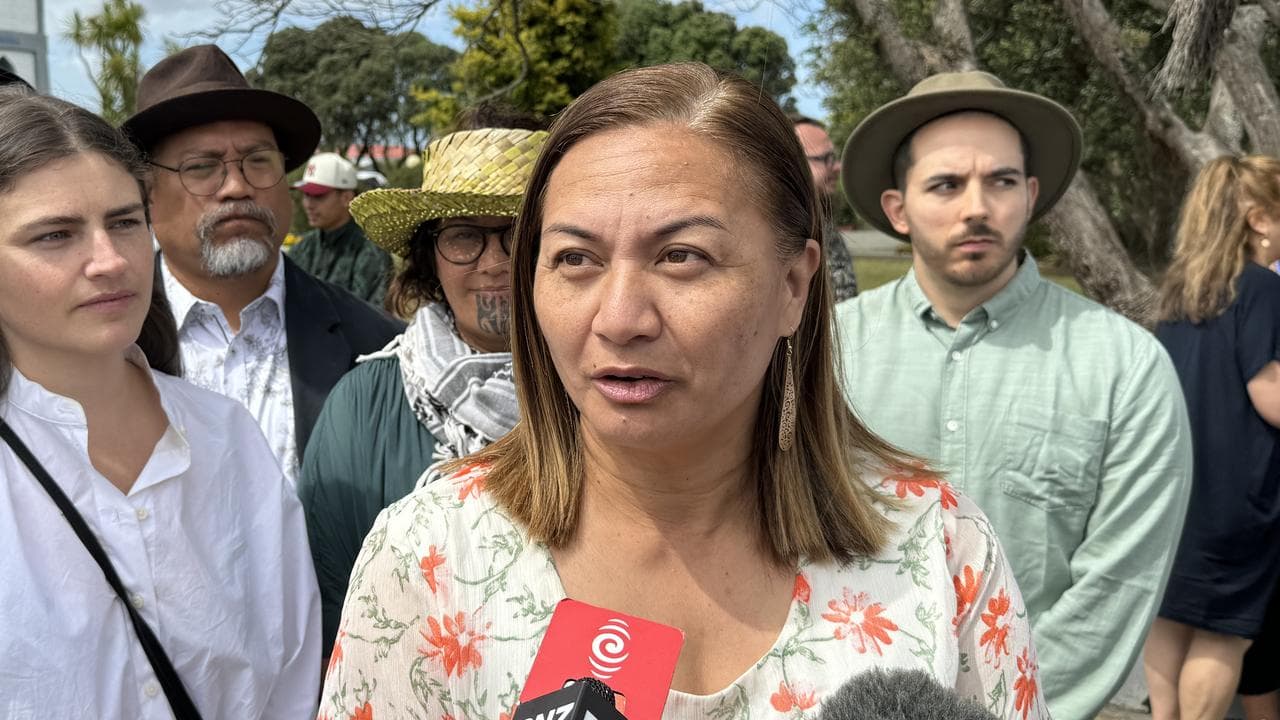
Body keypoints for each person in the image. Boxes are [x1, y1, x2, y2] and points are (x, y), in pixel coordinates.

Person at [318, 63, 1047, 720]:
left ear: (793, 286)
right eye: (574, 258)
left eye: (682, 257)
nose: (621, 319)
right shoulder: (429, 552)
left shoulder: (938, 550)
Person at [834, 70, 1193, 720]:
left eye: (1000, 181)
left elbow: (1117, 582)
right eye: (946, 184)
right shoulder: (825, 354)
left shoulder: (1127, 368)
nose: (977, 206)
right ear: (897, 209)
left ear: (1030, 195)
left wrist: (1007, 706)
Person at [0, 87, 319, 717]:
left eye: (124, 222)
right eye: (54, 235)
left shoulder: (226, 435)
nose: (110, 260)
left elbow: (294, 674)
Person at [298, 107, 546, 663]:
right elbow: (341, 605)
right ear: (429, 258)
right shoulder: (363, 407)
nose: (494, 263)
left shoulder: (617, 394)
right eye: (464, 238)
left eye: (519, 235)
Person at [122, 45, 403, 485]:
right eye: (201, 167)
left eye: (258, 161)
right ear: (147, 192)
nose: (236, 186)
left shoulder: (374, 347)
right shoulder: (99, 344)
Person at [1146, 155, 1280, 720]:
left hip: (1177, 488)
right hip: (1240, 494)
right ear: (1259, 219)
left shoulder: (1179, 291)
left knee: (1171, 616)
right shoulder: (1261, 291)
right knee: (1227, 631)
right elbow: (1268, 394)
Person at [290, 151, 393, 305]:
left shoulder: (370, 250)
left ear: (346, 198)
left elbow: (371, 318)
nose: (308, 204)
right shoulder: (303, 248)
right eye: (306, 195)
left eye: (318, 196)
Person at [793, 114, 858, 301]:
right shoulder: (775, 241)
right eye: (826, 158)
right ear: (791, 164)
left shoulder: (825, 226)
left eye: (834, 157)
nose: (837, 166)